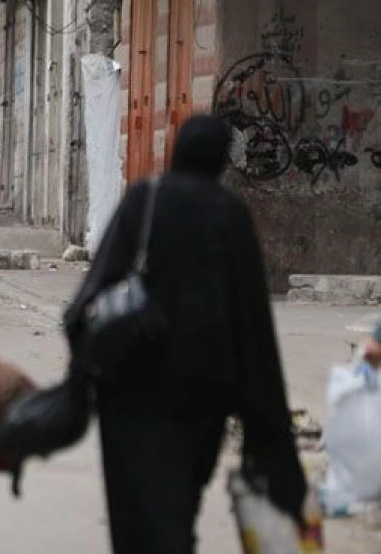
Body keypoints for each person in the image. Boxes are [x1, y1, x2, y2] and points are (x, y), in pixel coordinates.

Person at [67, 114, 307, 554]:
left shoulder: (145, 200)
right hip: (202, 395)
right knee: (178, 508)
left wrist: (81, 372)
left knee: (132, 514)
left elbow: (89, 297)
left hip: (129, 390)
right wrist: (265, 427)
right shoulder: (230, 216)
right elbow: (253, 323)